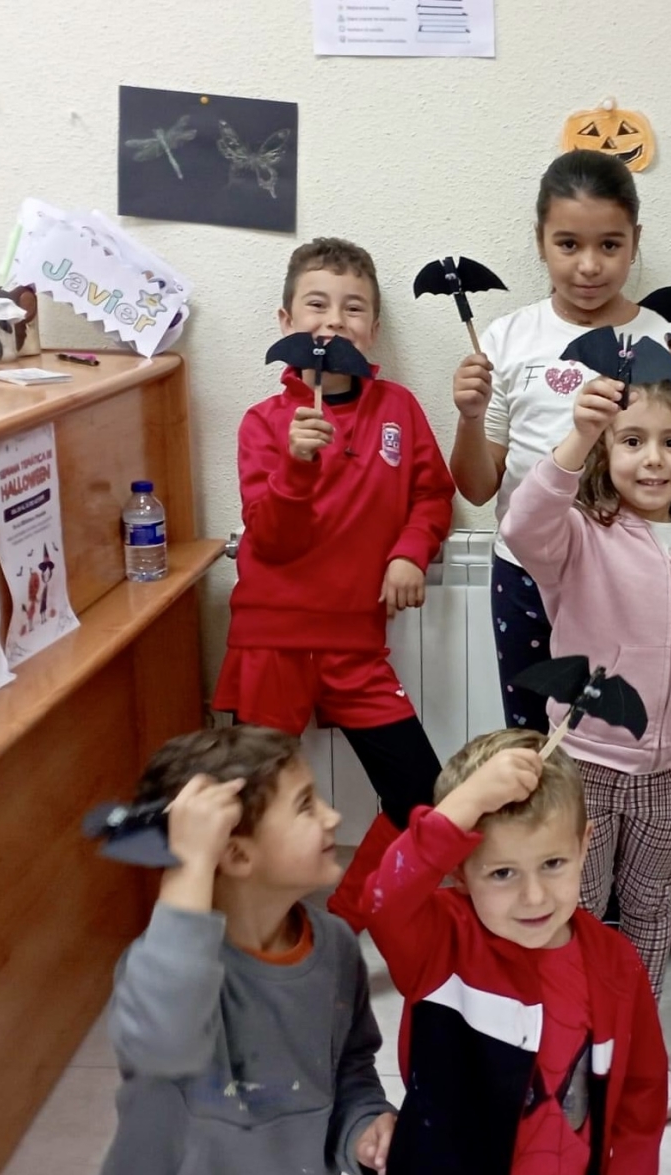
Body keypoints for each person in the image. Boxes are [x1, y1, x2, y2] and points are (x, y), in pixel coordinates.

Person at [214, 236, 454, 932]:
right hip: (272, 642)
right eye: (316, 304)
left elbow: (432, 497)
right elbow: (271, 538)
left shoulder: (399, 409)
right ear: (286, 319)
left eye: (353, 308)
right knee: (253, 802)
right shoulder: (265, 423)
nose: (334, 320)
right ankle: (258, 927)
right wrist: (296, 465)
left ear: (372, 328)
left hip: (357, 644)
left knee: (422, 796)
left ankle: (350, 917)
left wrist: (410, 554)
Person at [501, 370, 671, 1120]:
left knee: (651, 908)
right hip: (587, 762)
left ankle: (635, 1044)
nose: (653, 458)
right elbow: (521, 526)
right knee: (581, 909)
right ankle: (570, 1044)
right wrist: (578, 437)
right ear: (606, 451)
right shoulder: (577, 535)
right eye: (632, 441)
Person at [446, 150, 671, 732]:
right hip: (523, 569)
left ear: (635, 240)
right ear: (540, 240)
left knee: (609, 736)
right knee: (530, 742)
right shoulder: (508, 338)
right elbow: (477, 489)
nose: (589, 266)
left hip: (624, 576)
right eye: (568, 244)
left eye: (610, 245)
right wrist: (469, 417)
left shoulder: (663, 340)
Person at [360, 728, 667, 1174]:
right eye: (503, 873)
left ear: (584, 845)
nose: (534, 897)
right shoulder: (440, 941)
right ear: (459, 872)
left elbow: (642, 1093)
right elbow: (384, 900)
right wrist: (465, 805)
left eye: (553, 863)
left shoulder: (616, 962)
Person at [101, 727, 395, 1175]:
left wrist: (364, 1127)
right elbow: (163, 1044)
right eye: (305, 805)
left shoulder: (335, 946)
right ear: (237, 855)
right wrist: (190, 865)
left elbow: (351, 1071)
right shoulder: (161, 971)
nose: (333, 817)